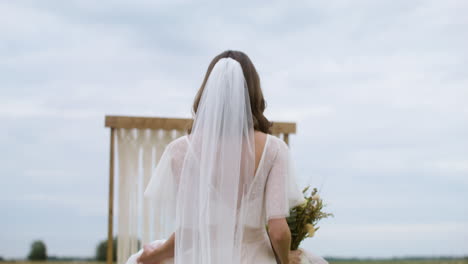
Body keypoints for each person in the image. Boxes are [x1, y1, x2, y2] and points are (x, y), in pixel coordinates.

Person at [132, 50, 309, 264]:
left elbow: (189, 233)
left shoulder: (179, 151)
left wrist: (153, 256)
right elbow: (278, 231)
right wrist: (285, 261)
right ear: (253, 91)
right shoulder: (274, 149)